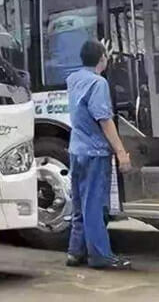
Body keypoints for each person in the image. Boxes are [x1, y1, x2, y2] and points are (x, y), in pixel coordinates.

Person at [66, 39, 133, 270]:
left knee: (79, 204)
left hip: (76, 150)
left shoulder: (73, 79)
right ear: (102, 59)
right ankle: (101, 256)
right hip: (95, 152)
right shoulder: (98, 83)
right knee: (94, 205)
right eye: (105, 56)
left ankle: (76, 252)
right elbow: (104, 120)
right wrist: (121, 152)